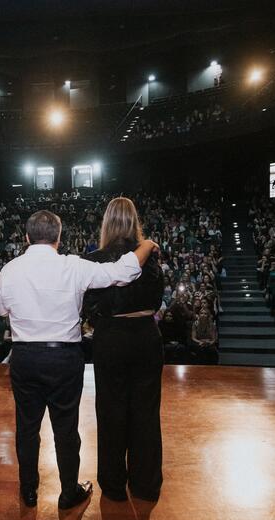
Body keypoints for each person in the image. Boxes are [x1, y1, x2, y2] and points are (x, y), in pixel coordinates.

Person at [0, 209, 158, 510]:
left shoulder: (9, 270)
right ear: (59, 238)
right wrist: (145, 246)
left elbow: (1, 310)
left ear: (26, 237)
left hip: (26, 357)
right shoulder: (72, 266)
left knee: (27, 428)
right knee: (66, 428)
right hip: (64, 357)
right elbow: (121, 273)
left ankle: (28, 491)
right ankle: (69, 492)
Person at [81, 197, 165, 502]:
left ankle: (114, 485)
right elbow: (156, 301)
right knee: (145, 412)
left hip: (111, 338)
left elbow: (89, 307)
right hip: (145, 335)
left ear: (107, 223)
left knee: (111, 410)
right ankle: (145, 485)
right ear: (134, 221)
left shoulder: (94, 259)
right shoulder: (151, 257)